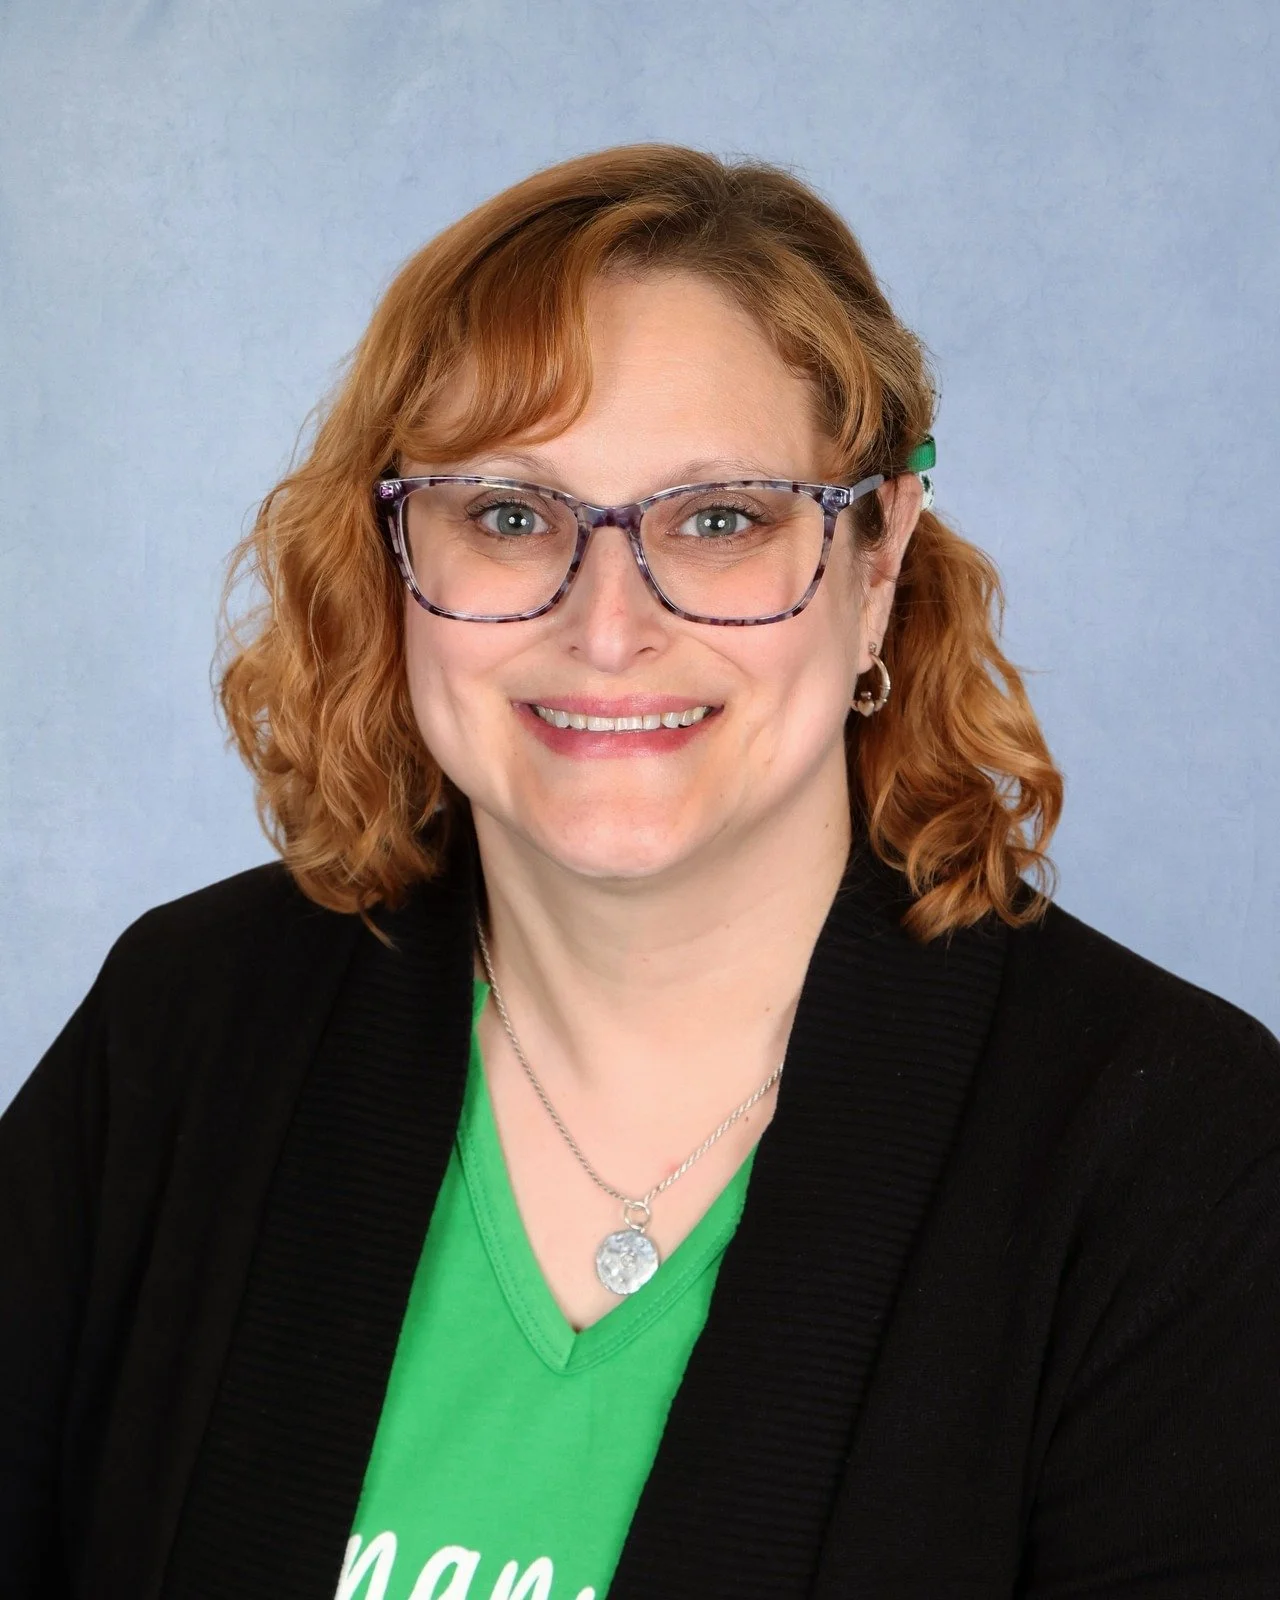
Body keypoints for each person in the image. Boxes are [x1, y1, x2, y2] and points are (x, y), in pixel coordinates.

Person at [2, 144, 1278, 1600]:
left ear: (877, 563)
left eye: (720, 520)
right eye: (507, 514)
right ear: (390, 550)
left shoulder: (1174, 1153)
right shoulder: (192, 1025)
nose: (608, 628)